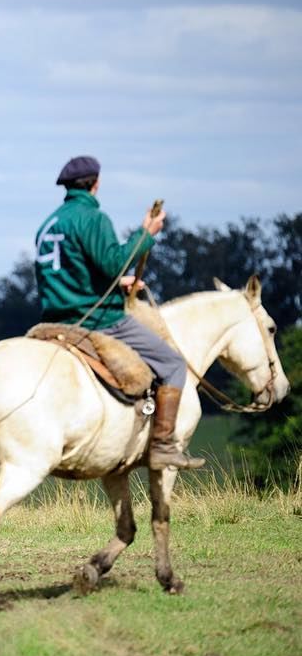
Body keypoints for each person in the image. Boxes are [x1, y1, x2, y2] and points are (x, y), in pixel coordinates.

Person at [33, 155, 204, 470]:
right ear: (96, 184)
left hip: (53, 319)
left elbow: (77, 272)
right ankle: (164, 446)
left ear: (67, 187)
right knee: (173, 363)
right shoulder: (93, 219)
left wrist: (117, 284)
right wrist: (146, 232)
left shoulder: (49, 224)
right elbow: (113, 263)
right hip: (98, 320)